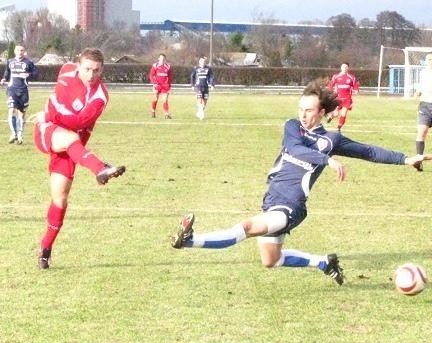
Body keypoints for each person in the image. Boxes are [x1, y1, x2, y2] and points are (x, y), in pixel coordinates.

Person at [171, 80, 427, 286]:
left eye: (309, 110)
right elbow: (294, 149)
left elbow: (368, 151)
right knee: (271, 260)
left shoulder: (332, 140)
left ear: (322, 113)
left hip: (291, 205)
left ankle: (191, 239)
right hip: (272, 198)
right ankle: (324, 263)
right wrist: (327, 162)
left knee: (247, 227)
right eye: (301, 109)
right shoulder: (292, 126)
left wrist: (405, 159)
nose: (303, 115)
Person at [33, 48, 126, 269]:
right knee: (70, 137)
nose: (91, 75)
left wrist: (52, 114)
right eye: (87, 69)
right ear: (78, 65)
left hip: (72, 147)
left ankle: (45, 249)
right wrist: (49, 117)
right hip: (48, 130)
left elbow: (79, 122)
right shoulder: (65, 71)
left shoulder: (100, 97)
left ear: (102, 69)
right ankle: (99, 168)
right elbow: (64, 115)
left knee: (60, 199)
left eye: (96, 70)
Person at [1, 44, 38, 144]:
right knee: (11, 110)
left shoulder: (29, 62)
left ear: (24, 51)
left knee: (21, 114)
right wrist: (4, 78)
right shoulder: (10, 61)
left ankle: (20, 135)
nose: (20, 52)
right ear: (14, 51)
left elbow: (36, 73)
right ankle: (13, 134)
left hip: (23, 91)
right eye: (18, 50)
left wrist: (29, 74)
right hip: (12, 89)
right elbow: (7, 72)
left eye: (22, 50)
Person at [326, 62, 359, 131]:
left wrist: (356, 90)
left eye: (346, 67)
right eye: (343, 67)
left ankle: (339, 128)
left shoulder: (351, 77)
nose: (344, 68)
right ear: (341, 68)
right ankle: (331, 116)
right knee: (335, 114)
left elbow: (355, 85)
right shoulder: (336, 76)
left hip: (347, 99)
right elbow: (331, 84)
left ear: (348, 68)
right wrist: (329, 91)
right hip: (338, 98)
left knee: (343, 113)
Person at [413, 53, 432, 172]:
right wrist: (417, 92)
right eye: (429, 59)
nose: (431, 61)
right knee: (422, 132)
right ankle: (418, 161)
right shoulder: (423, 73)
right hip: (425, 106)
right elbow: (420, 87)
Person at [190, 56, 215, 120]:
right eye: (201, 61)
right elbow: (192, 77)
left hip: (206, 86)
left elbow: (211, 77)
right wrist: (192, 85)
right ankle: (201, 113)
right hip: (198, 86)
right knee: (199, 99)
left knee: (205, 101)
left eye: (204, 61)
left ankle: (200, 111)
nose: (203, 63)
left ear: (205, 62)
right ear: (199, 62)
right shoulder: (196, 68)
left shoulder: (208, 69)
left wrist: (212, 85)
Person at [149, 53, 173, 119]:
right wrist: (154, 83)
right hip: (157, 85)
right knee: (155, 99)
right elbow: (151, 75)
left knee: (165, 100)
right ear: (158, 58)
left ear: (165, 59)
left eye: (163, 58)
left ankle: (166, 114)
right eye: (161, 58)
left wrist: (169, 85)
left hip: (165, 86)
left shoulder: (168, 66)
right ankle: (153, 111)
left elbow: (170, 77)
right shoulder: (155, 66)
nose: (162, 60)